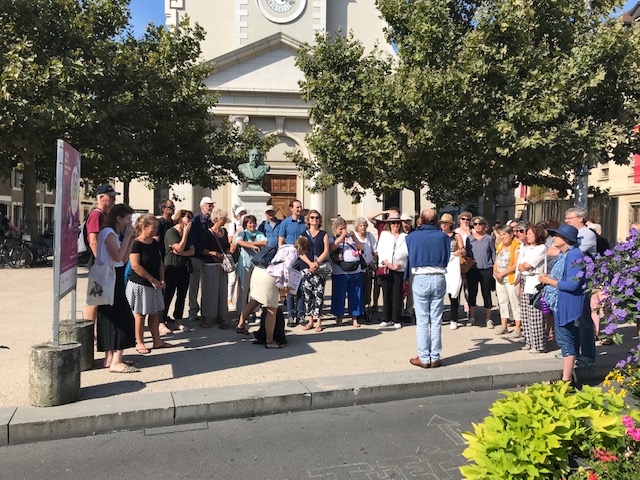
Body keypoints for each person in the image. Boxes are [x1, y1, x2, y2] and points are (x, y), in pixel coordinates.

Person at [238, 237, 312, 348]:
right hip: (269, 276)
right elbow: (286, 268)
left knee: (254, 302)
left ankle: (240, 325)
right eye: (305, 252)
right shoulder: (294, 252)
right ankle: (270, 341)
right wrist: (286, 286)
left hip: (259, 271)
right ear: (303, 248)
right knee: (272, 309)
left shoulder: (285, 246)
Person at [539, 224, 586, 383]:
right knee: (564, 339)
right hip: (559, 302)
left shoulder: (574, 255)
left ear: (566, 239)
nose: (553, 238)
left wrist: (549, 281)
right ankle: (567, 376)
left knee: (566, 340)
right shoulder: (564, 254)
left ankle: (567, 380)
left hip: (566, 303)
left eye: (557, 235)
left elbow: (572, 284)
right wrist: (549, 278)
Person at [95, 204, 138, 373]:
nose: (129, 222)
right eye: (127, 219)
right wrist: (127, 237)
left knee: (110, 316)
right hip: (110, 276)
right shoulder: (108, 233)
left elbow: (124, 258)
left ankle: (109, 357)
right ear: (118, 218)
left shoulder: (113, 233)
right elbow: (117, 256)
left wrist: (131, 239)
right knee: (123, 317)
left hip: (114, 274)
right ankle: (116, 360)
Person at [406, 209, 450, 368]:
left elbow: (410, 254)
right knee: (436, 319)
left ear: (421, 220)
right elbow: (447, 256)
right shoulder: (443, 236)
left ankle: (424, 357)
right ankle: (435, 356)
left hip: (421, 276)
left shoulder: (412, 236)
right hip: (438, 275)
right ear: (436, 220)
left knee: (423, 319)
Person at [126, 214, 172, 354]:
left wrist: (162, 279)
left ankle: (157, 341)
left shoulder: (155, 243)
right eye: (154, 227)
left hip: (155, 284)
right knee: (140, 314)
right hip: (140, 284)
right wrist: (152, 280)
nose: (156, 230)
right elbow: (135, 266)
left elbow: (159, 262)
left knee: (155, 313)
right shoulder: (136, 243)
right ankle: (140, 342)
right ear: (144, 228)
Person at [561, 207, 596, 367]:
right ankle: (572, 353)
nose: (566, 220)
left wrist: (559, 249)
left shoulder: (587, 234)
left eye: (569, 218)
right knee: (573, 318)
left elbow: (569, 254)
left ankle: (588, 355)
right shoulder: (574, 235)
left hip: (584, 282)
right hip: (573, 279)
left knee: (584, 319)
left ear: (580, 218)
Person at [85, 184, 119, 326]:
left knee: (101, 295)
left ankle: (96, 327)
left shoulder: (105, 215)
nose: (114, 199)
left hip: (104, 260)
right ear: (101, 197)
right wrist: (100, 262)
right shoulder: (96, 215)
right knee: (95, 297)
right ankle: (89, 329)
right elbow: (93, 241)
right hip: (99, 261)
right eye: (110, 197)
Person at [162, 209, 195, 334]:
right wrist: (185, 234)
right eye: (188, 217)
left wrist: (182, 252)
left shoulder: (188, 232)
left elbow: (191, 251)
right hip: (171, 266)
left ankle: (178, 320)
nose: (190, 221)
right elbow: (179, 247)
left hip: (184, 266)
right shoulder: (171, 232)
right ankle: (162, 321)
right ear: (180, 218)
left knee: (182, 295)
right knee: (168, 294)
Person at [233, 214, 267, 333]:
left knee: (256, 290)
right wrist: (252, 244)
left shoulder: (258, 233)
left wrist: (253, 244)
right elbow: (238, 241)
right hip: (245, 265)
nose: (252, 225)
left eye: (253, 222)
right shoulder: (243, 233)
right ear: (246, 224)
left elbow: (264, 242)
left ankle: (256, 312)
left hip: (256, 265)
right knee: (243, 289)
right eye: (249, 223)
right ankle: (242, 314)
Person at [517, 224, 548, 353]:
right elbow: (520, 266)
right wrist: (522, 266)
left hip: (534, 281)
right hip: (525, 281)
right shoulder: (527, 248)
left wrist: (523, 266)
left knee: (535, 314)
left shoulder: (541, 248)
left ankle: (538, 344)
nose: (527, 236)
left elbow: (527, 265)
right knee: (525, 313)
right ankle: (529, 340)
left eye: (530, 234)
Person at [329, 217, 365, 328]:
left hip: (355, 270)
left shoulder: (351, 238)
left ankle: (355, 317)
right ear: (335, 229)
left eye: (344, 228)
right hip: (340, 272)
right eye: (341, 229)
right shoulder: (332, 238)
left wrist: (355, 239)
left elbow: (362, 248)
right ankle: (339, 317)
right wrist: (341, 237)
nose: (343, 231)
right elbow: (331, 248)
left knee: (356, 295)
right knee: (339, 295)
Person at [299, 210, 331, 332]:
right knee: (308, 295)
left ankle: (319, 322)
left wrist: (317, 263)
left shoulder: (323, 234)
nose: (314, 219)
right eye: (312, 217)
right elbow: (300, 252)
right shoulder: (303, 235)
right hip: (306, 268)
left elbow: (326, 250)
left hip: (319, 268)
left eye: (317, 218)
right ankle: (310, 321)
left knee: (319, 294)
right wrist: (310, 264)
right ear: (308, 220)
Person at [376, 211, 408, 329]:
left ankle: (396, 319)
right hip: (386, 267)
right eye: (393, 223)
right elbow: (381, 250)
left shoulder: (404, 236)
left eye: (397, 223)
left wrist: (397, 263)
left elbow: (405, 251)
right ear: (389, 224)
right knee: (386, 294)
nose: (395, 225)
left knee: (397, 294)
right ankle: (386, 318)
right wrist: (388, 263)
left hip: (399, 268)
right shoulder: (384, 234)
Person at [200, 208, 231, 329]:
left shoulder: (224, 231)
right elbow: (202, 249)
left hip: (222, 265)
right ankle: (207, 316)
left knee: (222, 291)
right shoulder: (207, 233)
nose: (225, 221)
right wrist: (214, 254)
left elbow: (227, 246)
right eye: (223, 218)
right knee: (210, 291)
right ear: (217, 218)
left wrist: (227, 255)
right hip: (211, 264)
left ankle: (222, 315)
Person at [278, 199, 307, 327]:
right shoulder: (285, 223)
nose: (299, 209)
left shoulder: (305, 223)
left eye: (300, 207)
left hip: (303, 258)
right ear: (291, 209)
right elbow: (280, 242)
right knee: (290, 288)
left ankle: (300, 315)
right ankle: (290, 316)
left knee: (301, 288)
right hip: (290, 260)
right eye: (297, 207)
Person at [465, 216, 496, 328]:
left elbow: (493, 254)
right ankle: (472, 317)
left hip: (486, 269)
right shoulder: (469, 239)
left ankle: (488, 318)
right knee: (472, 293)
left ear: (484, 225)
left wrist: (494, 268)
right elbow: (467, 254)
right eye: (475, 224)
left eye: (480, 223)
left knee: (486, 293)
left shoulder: (489, 238)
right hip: (472, 269)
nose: (478, 225)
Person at [188, 197, 214, 322]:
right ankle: (193, 310)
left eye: (211, 205)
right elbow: (193, 238)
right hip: (197, 257)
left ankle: (206, 311)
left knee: (207, 286)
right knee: (194, 286)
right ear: (202, 206)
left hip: (208, 257)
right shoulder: (196, 220)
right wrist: (202, 250)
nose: (210, 207)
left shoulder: (211, 220)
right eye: (208, 205)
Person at [493, 226, 521, 336]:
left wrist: (502, 274)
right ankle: (503, 325)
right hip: (499, 278)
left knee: (514, 302)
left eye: (504, 234)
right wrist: (495, 273)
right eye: (500, 234)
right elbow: (496, 261)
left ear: (511, 235)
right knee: (502, 302)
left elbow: (515, 265)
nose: (502, 237)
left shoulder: (516, 246)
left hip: (511, 278)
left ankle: (518, 328)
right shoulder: (500, 246)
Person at [439, 213, 465, 329]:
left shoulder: (456, 235)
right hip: (441, 264)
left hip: (453, 264)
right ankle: (438, 317)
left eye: (445, 223)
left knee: (454, 292)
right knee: (438, 293)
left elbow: (462, 249)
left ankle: (454, 318)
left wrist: (459, 252)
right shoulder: (438, 235)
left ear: (450, 224)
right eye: (442, 223)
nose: (443, 225)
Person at [354, 216, 377, 324]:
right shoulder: (354, 237)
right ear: (357, 227)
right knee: (359, 290)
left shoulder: (370, 236)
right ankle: (358, 311)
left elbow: (375, 250)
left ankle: (366, 310)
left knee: (367, 289)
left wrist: (373, 261)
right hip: (357, 267)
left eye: (364, 225)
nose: (363, 228)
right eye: (361, 226)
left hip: (368, 266)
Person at [227, 205, 247, 308]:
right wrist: (238, 233)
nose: (243, 216)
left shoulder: (247, 224)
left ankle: (238, 298)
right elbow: (230, 240)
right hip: (235, 253)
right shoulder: (233, 225)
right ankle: (229, 299)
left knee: (242, 278)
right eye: (241, 214)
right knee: (233, 277)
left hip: (244, 255)